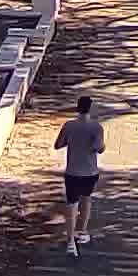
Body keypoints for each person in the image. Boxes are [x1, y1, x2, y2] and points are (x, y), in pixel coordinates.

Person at [54, 96, 105, 257]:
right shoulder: (96, 127)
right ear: (90, 109)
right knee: (86, 200)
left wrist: (72, 141)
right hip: (90, 172)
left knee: (72, 204)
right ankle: (82, 232)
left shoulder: (69, 126)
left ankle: (70, 241)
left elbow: (58, 145)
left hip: (72, 172)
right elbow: (99, 148)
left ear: (77, 108)